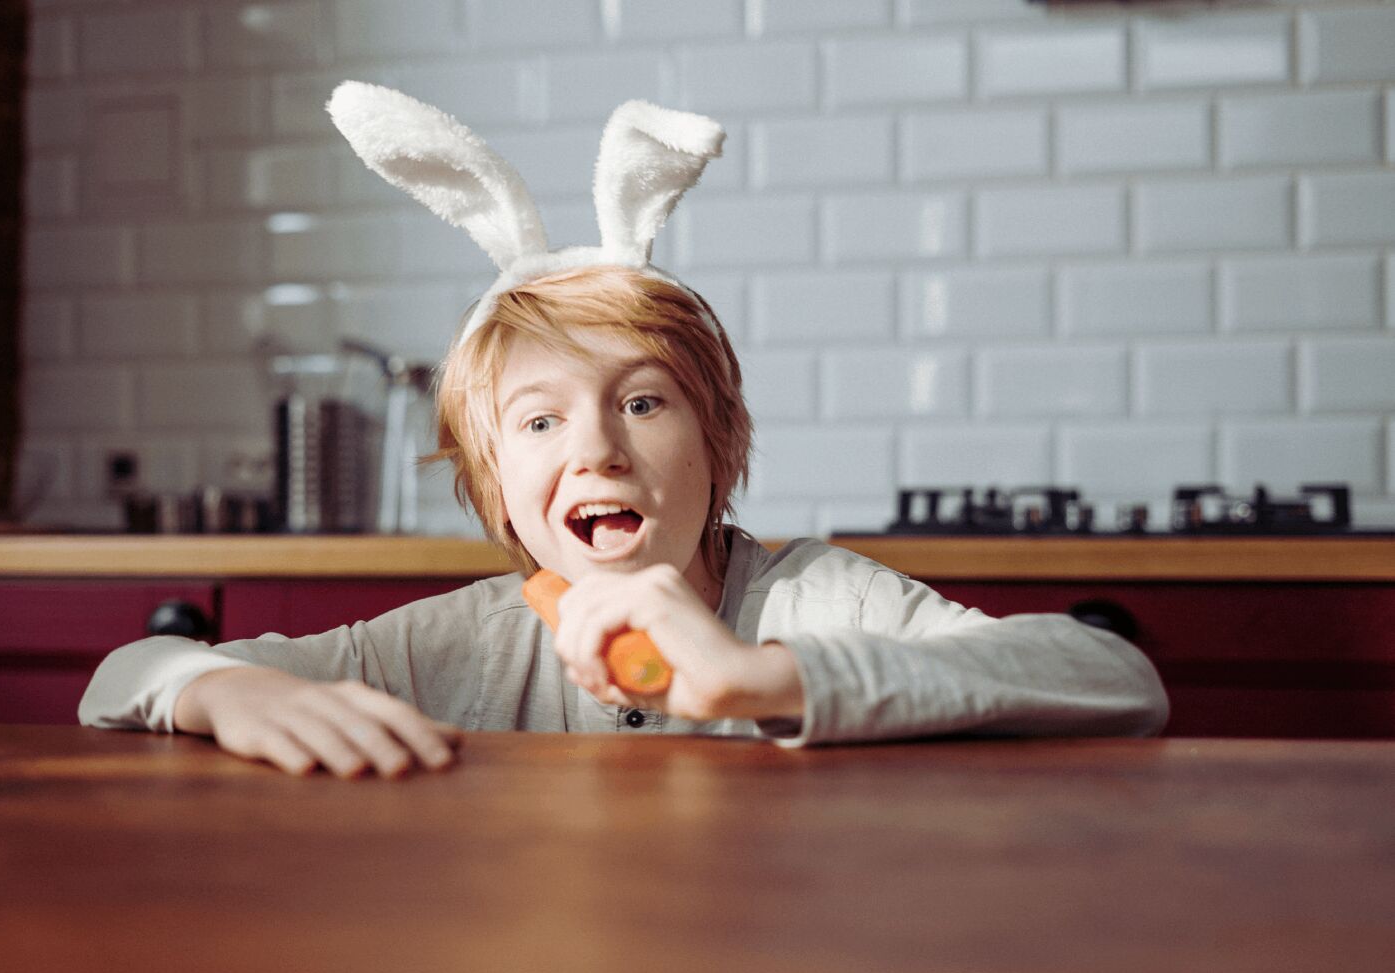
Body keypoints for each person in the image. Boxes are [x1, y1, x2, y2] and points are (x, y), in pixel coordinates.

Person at [78, 85, 1169, 778]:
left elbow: (1115, 678)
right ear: (497, 484)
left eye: (643, 402)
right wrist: (226, 687)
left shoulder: (815, 600)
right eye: (540, 420)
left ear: (720, 442)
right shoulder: (450, 646)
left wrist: (761, 679)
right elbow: (122, 677)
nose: (596, 448)